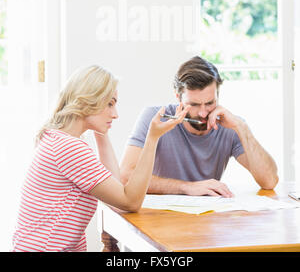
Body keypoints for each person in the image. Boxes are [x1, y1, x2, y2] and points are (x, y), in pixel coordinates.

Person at [12, 65, 191, 252]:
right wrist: (152, 138)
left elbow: (117, 196)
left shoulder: (56, 138)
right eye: (110, 104)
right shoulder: (69, 148)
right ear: (88, 100)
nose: (115, 114)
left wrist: (101, 132)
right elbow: (129, 202)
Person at [120, 56, 279, 197]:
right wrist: (187, 188)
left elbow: (269, 181)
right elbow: (126, 176)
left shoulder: (230, 125)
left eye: (209, 103)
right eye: (194, 105)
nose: (203, 113)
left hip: (205, 221)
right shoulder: (155, 118)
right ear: (178, 96)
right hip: (159, 218)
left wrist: (241, 127)